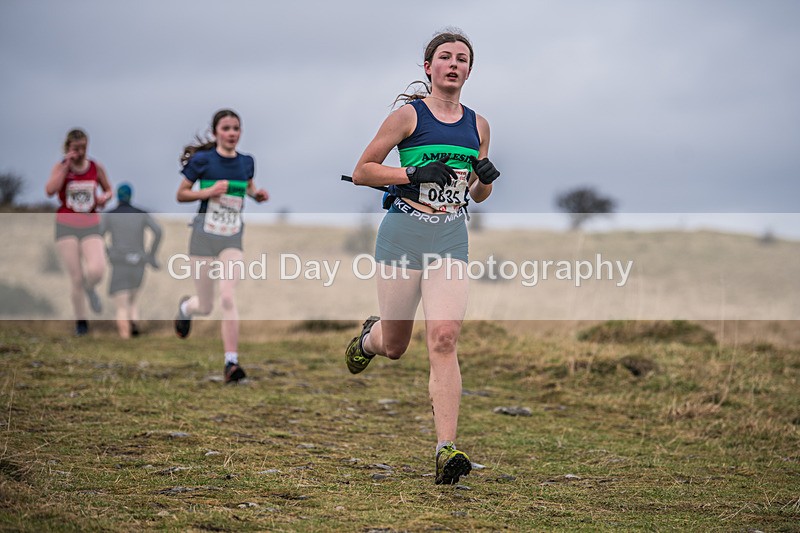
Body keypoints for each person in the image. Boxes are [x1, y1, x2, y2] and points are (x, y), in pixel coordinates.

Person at [345, 30, 501, 485]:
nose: (454, 64)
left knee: (445, 338)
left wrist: (486, 178)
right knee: (396, 346)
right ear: (429, 67)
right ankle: (369, 339)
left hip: (450, 236)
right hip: (403, 234)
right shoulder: (408, 116)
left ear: (469, 70)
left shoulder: (479, 125)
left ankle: (445, 449)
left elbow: (479, 194)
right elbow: (362, 171)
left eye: (462, 59)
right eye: (445, 57)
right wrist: (412, 171)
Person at [174, 109, 268, 383]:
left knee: (227, 296)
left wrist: (257, 195)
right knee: (205, 305)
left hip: (231, 237)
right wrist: (208, 192)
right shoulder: (203, 161)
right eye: (226, 128)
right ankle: (186, 308)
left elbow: (248, 187)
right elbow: (181, 194)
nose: (231, 133)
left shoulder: (247, 162)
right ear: (215, 132)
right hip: (203, 237)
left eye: (236, 128)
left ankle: (231, 363)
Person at [45, 128, 113, 336]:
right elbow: (50, 190)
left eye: (84, 147)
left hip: (90, 224)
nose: (81, 152)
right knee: (76, 278)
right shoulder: (61, 167)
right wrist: (66, 166)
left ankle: (90, 288)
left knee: (97, 270)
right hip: (66, 226)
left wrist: (104, 198)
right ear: (68, 147)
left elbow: (108, 189)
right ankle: (81, 322)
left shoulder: (95, 167)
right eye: (76, 148)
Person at [101, 183, 163, 338]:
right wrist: (151, 255)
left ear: (117, 196)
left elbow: (97, 235)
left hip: (120, 263)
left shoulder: (110, 215)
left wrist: (108, 252)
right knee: (132, 301)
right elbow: (158, 231)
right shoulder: (141, 214)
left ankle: (126, 339)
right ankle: (134, 328)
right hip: (139, 263)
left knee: (122, 306)